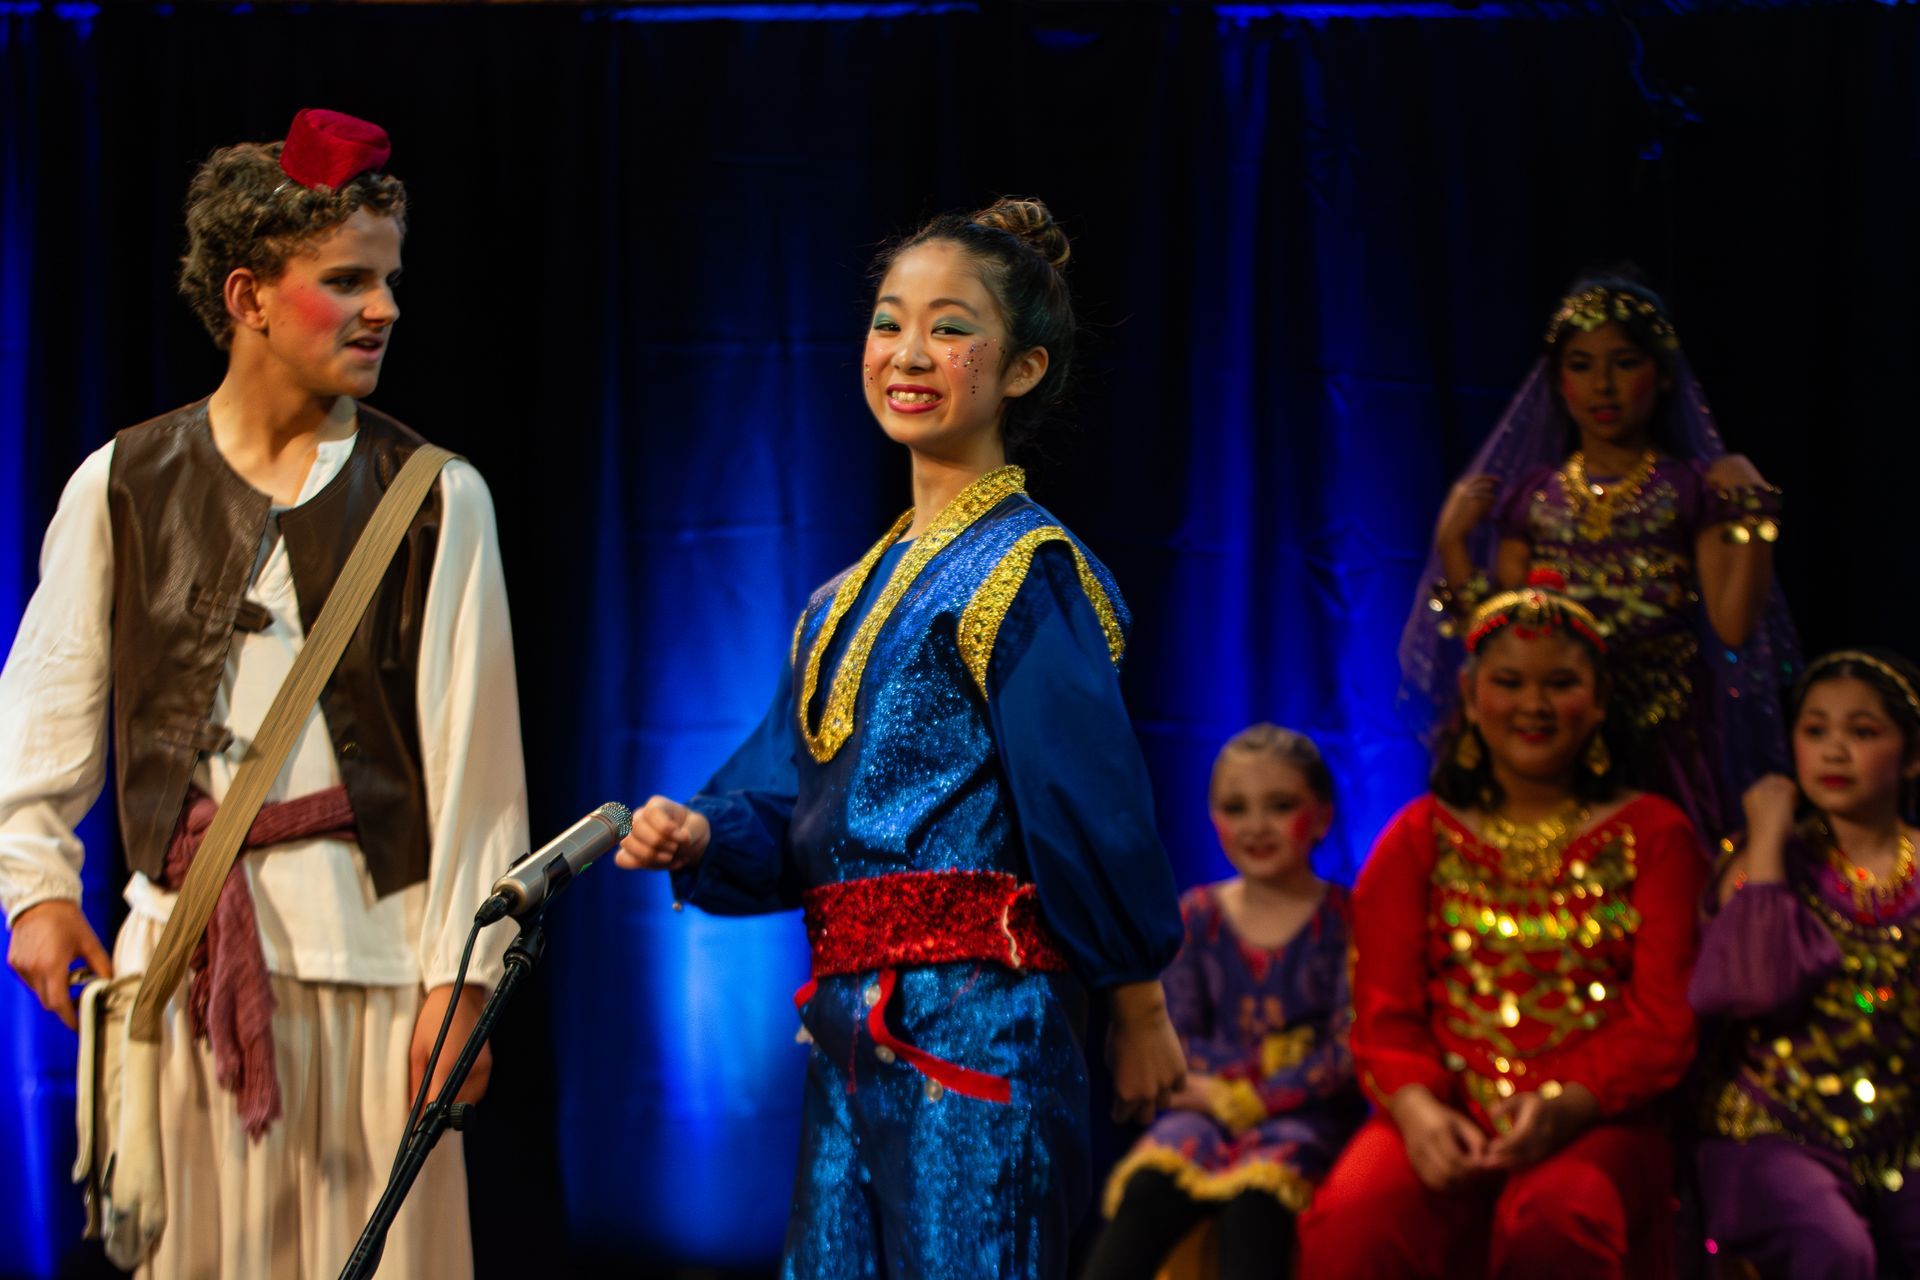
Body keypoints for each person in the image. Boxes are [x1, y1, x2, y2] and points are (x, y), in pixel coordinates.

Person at [614, 197, 1186, 1279]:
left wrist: (1138, 995)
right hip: (849, 1030)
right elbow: (789, 805)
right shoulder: (839, 598)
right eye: (888, 322)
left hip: (981, 1021)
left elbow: (1088, 801)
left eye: (952, 326)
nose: (909, 352)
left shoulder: (1025, 569)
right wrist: (702, 833)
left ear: (1022, 368)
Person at [0, 109, 527, 1278]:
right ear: (247, 296)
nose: (382, 307)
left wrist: (463, 978)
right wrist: (33, 886)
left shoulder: (439, 499)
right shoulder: (123, 482)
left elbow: (477, 766)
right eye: (346, 280)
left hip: (380, 983)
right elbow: (41, 704)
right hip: (180, 974)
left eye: (387, 279)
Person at [1303, 571, 1704, 1278]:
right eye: (1510, 682)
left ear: (1601, 700)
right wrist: (1420, 1112)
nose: (1534, 705)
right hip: (1444, 1108)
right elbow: (1383, 1015)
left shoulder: (1656, 835)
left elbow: (1664, 1019)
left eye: (1559, 684)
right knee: (1355, 1222)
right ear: (1470, 696)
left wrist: (1570, 1103)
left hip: (1599, 1118)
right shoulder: (1417, 837)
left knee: (1556, 1222)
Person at [1400, 273, 1798, 846]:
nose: (1602, 386)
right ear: (1559, 382)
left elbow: (1733, 625)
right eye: (1582, 365)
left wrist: (1755, 513)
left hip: (1666, 742)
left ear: (1662, 375)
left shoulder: (1689, 491)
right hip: (1554, 739)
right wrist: (1453, 545)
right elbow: (1496, 638)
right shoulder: (1534, 498)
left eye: (1624, 363)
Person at [1083, 724, 1362, 1280]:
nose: (1256, 826)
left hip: (1300, 1125)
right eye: (1236, 808)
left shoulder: (1347, 919)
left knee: (1255, 1211)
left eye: (1280, 806)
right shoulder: (1196, 917)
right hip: (1202, 1113)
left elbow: (1348, 1047)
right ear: (1214, 820)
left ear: (1323, 817)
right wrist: (1217, 1094)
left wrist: (1258, 1096)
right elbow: (1174, 1036)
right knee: (1148, 1189)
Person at [1689, 649, 1920, 1278]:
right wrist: (1766, 837)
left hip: (1899, 1136)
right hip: (1769, 1130)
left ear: (1912, 756)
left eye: (1862, 732)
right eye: (1815, 730)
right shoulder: (1763, 860)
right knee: (1835, 1247)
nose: (1834, 750)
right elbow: (1754, 988)